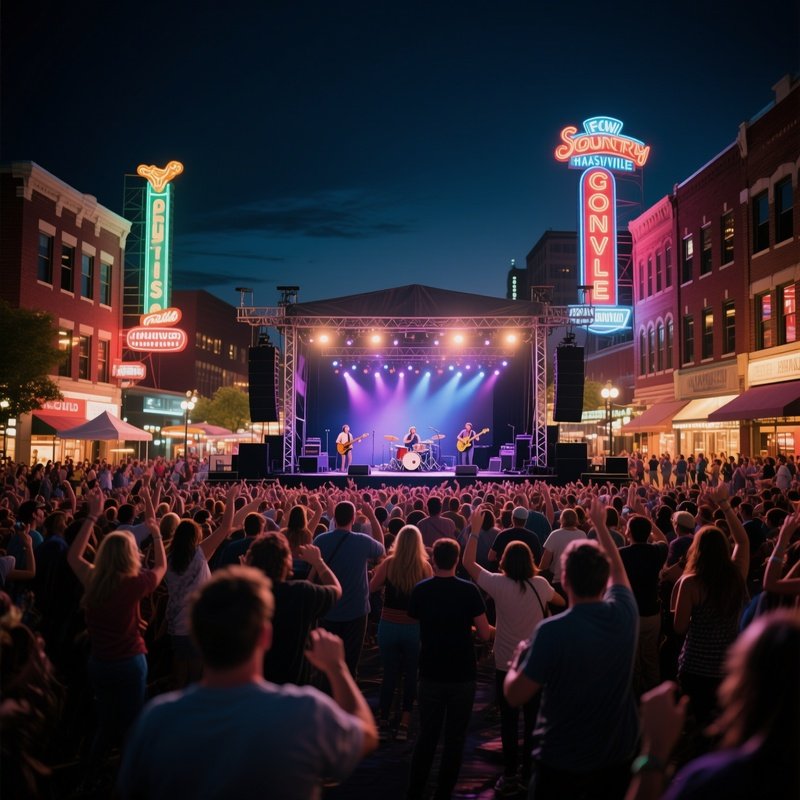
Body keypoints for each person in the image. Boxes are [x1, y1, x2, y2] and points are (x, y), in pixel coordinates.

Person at [117, 566, 377, 800]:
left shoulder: (156, 720)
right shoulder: (304, 712)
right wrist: (337, 668)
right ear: (265, 636)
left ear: (196, 636)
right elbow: (366, 737)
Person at [504, 497, 640, 800]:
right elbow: (619, 571)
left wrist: (517, 661)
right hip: (616, 759)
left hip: (561, 762)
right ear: (604, 578)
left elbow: (515, 695)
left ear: (564, 580)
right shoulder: (624, 614)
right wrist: (600, 527)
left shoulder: (551, 632)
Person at [625, 610, 800, 800]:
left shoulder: (714, 781)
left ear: (744, 686)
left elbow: (679, 626)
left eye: (734, 669)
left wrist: (654, 750)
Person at [463, 507, 564, 795]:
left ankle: (509, 773)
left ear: (504, 560)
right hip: (536, 660)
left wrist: (474, 531)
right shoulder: (540, 584)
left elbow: (468, 563)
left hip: (506, 661)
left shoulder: (498, 583)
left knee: (508, 721)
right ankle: (529, 772)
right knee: (533, 721)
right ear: (530, 560)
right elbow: (561, 602)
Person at [66, 486, 166, 772]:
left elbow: (73, 556)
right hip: (130, 660)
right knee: (133, 721)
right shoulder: (135, 584)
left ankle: (91, 772)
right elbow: (161, 567)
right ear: (130, 556)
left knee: (106, 721)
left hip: (100, 661)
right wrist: (157, 535)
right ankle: (127, 774)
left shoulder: (93, 578)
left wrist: (92, 517)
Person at [406, 538, 493, 799]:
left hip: (430, 669)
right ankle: (443, 792)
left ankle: (415, 791)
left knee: (426, 736)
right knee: (455, 739)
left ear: (433, 560)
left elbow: (415, 619)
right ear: (457, 560)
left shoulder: (421, 590)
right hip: (462, 672)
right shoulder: (469, 591)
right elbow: (485, 633)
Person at [671, 485, 749, 731]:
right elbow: (742, 541)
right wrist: (725, 506)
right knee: (725, 725)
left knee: (696, 725)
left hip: (695, 665)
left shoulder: (691, 583)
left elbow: (679, 627)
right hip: (729, 663)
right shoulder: (735, 575)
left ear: (697, 549)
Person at [245, 532, 341, 686]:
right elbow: (336, 590)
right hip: (294, 685)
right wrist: (319, 562)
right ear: (287, 564)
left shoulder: (243, 594)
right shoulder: (301, 592)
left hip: (252, 685)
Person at [369, 524, 432, 741]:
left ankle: (383, 718)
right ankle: (405, 722)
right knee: (411, 674)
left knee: (389, 673)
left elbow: (371, 587)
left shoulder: (389, 563)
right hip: (413, 627)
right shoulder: (424, 567)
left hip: (388, 625)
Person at [314, 500, 385, 676]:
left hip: (329, 607)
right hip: (356, 609)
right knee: (351, 661)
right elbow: (381, 549)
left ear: (334, 518)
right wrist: (372, 517)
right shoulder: (363, 541)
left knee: (327, 663)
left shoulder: (320, 540)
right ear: (353, 519)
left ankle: (328, 689)